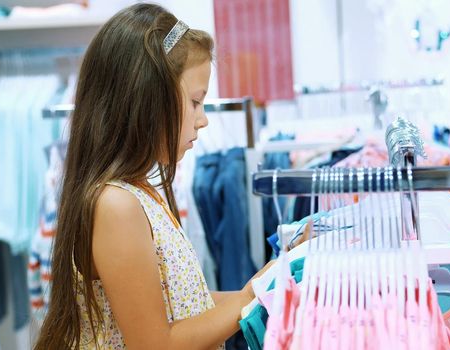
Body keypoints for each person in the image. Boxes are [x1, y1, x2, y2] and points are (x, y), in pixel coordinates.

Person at [34, 4, 273, 349]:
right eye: (195, 102)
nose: (203, 119)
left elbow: (188, 306)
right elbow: (156, 343)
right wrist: (252, 293)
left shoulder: (141, 192)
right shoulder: (116, 206)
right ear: (147, 99)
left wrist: (260, 288)